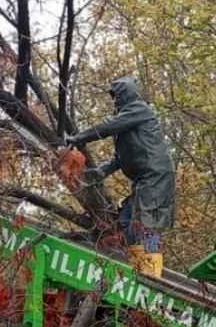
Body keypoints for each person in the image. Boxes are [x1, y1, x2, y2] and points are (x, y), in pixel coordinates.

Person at [64, 76, 176, 278]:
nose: (115, 101)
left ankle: (151, 271)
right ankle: (138, 264)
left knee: (148, 224)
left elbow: (108, 128)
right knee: (125, 220)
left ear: (128, 94)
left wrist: (78, 138)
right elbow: (120, 157)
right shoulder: (127, 120)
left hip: (155, 177)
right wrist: (102, 171)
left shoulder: (139, 109)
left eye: (118, 96)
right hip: (143, 180)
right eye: (113, 97)